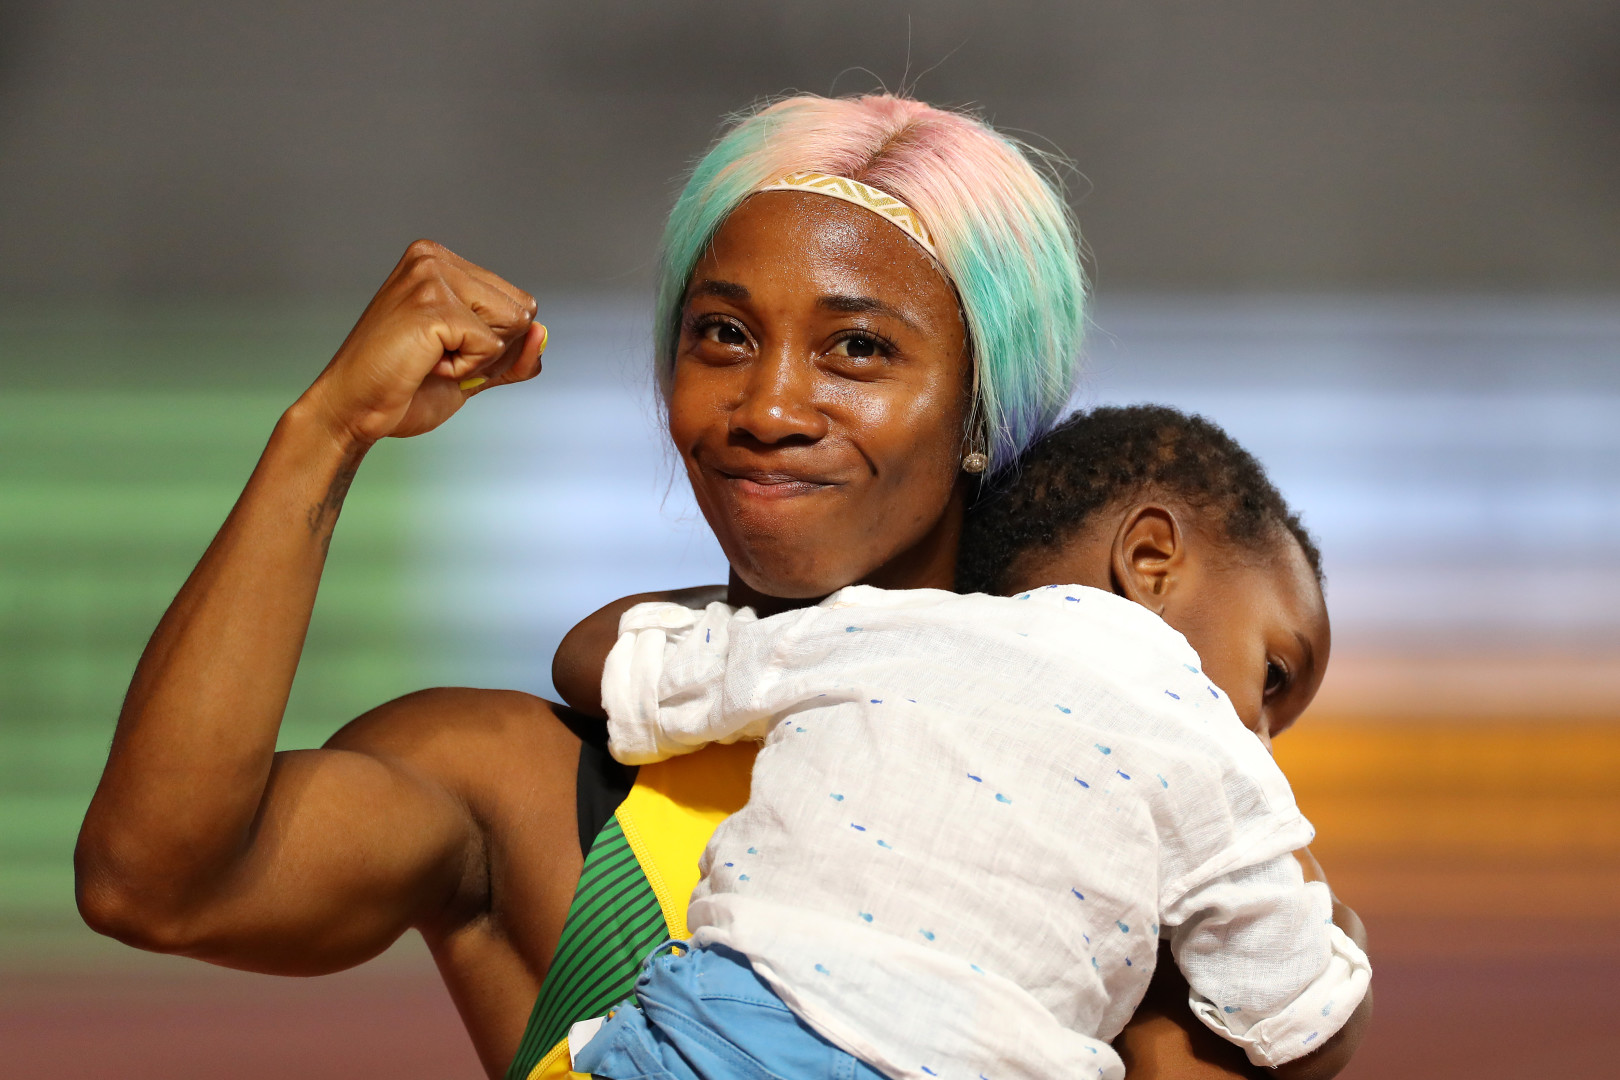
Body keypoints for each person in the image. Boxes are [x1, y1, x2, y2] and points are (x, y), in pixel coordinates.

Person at [72, 92, 1336, 1080]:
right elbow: (156, 883)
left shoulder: (1123, 837)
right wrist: (324, 431)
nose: (769, 405)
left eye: (857, 349)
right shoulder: (517, 783)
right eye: (722, 335)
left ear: (978, 411)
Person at [571, 406, 1371, 1080]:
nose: (1260, 740)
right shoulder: (1207, 747)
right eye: (1274, 676)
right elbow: (1299, 1028)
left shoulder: (882, 625)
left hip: (722, 1033)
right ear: (1151, 558)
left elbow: (597, 662)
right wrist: (1338, 927)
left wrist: (804, 613)